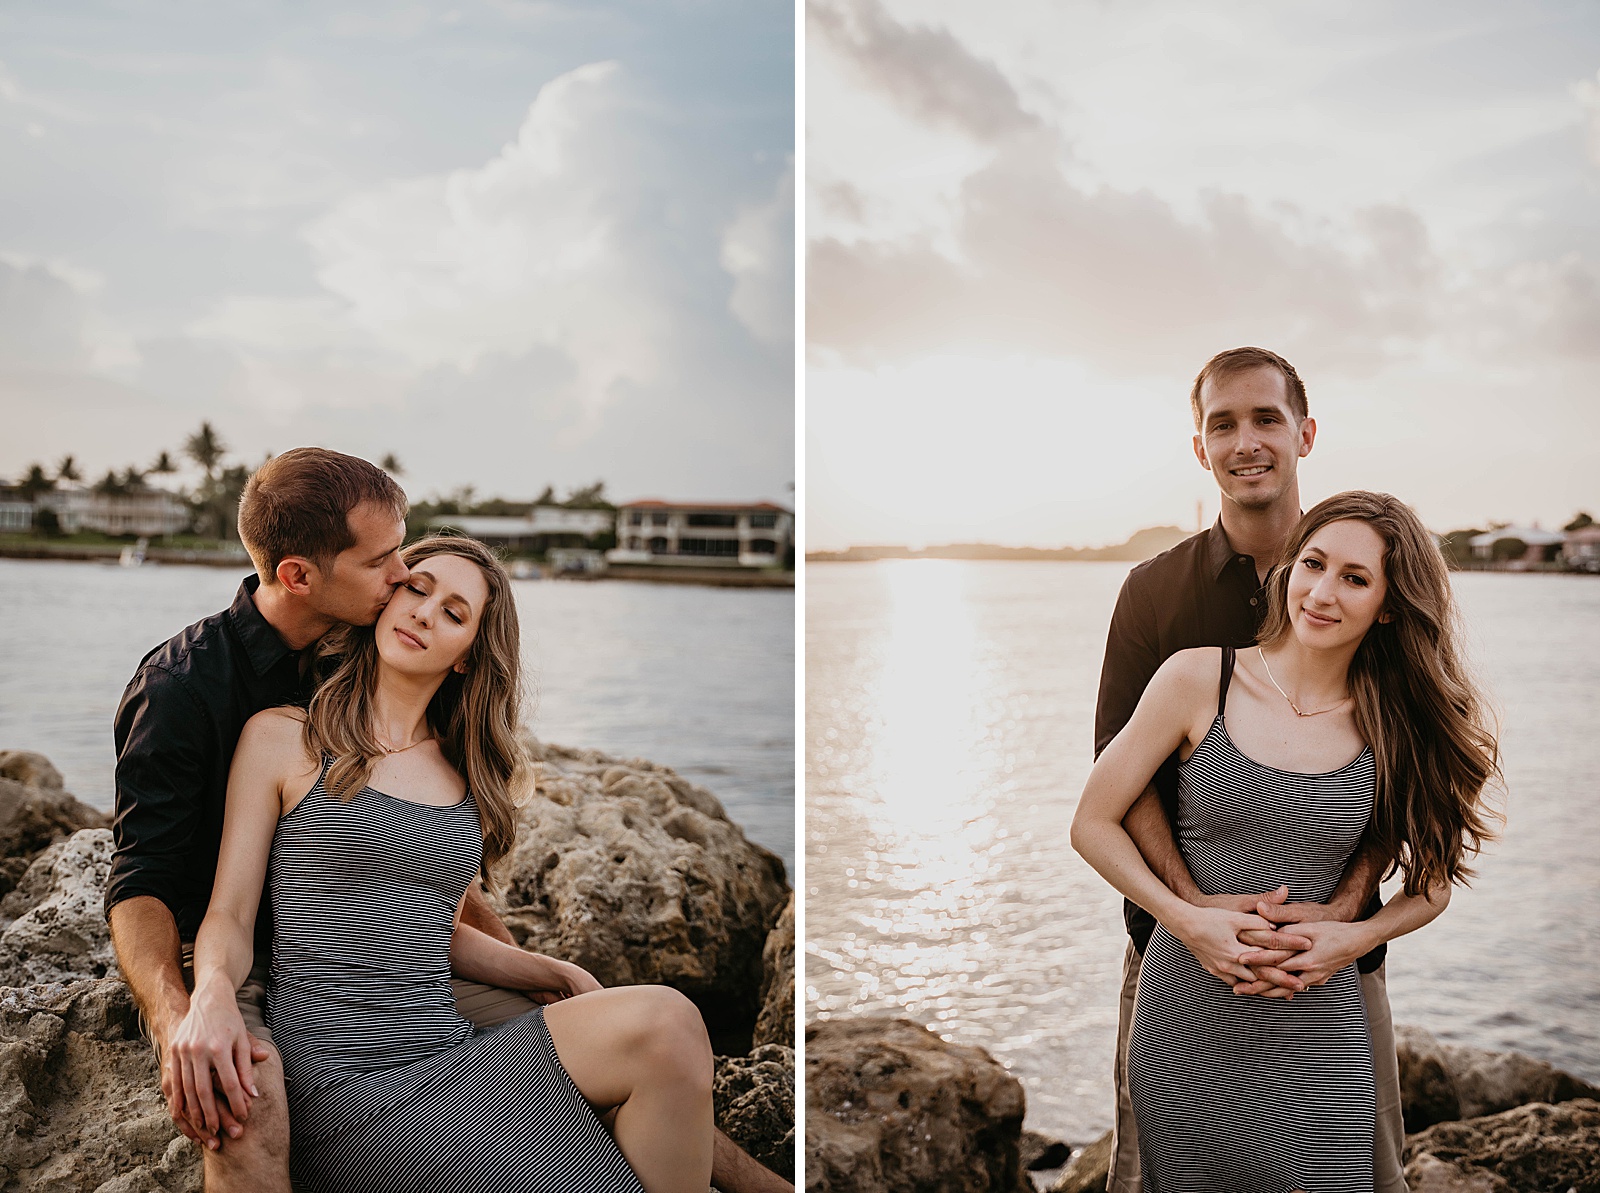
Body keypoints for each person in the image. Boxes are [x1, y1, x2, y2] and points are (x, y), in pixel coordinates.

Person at [107, 447, 791, 1192]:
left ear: (469, 653)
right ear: (301, 576)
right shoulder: (212, 701)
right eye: (395, 570)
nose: (404, 582)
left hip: (431, 1017)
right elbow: (157, 884)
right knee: (244, 1104)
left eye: (447, 605)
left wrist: (543, 968)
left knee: (660, 1031)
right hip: (299, 1014)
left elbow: (424, 908)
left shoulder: (437, 741)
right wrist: (191, 1008)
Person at [1072, 490, 1498, 1191]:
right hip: (1187, 1007)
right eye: (1313, 564)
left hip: (1321, 1014)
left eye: (1355, 578)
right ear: (1289, 568)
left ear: (1389, 605)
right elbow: (1092, 821)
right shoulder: (1197, 677)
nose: (1322, 593)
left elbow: (1433, 885)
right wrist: (1186, 919)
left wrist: (1352, 938)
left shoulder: (1397, 719)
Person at [1090, 347, 1385, 1192]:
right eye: (1223, 424)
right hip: (1175, 956)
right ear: (1201, 448)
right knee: (1153, 1174)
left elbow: (1402, 784)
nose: (1246, 441)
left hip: (1329, 966)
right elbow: (1117, 781)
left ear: (1305, 433)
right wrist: (1191, 911)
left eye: (1266, 418)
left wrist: (1346, 912)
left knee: (1370, 1169)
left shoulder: (1366, 582)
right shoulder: (1154, 593)